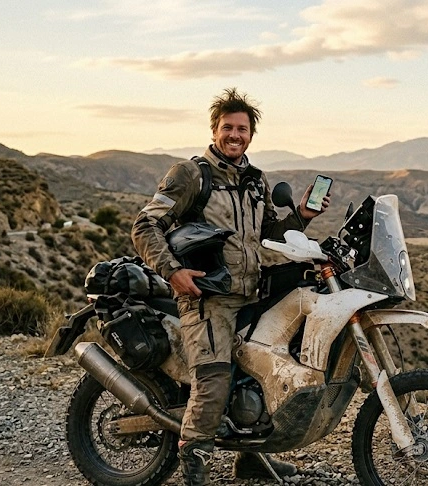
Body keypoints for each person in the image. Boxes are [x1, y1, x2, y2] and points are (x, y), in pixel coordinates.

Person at [132, 88, 330, 485]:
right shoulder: (191, 175)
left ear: (251, 135)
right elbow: (145, 224)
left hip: (251, 291)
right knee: (215, 378)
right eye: (228, 127)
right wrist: (173, 272)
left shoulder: (256, 182)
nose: (235, 135)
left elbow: (270, 234)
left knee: (267, 372)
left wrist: (303, 216)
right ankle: (192, 458)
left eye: (242, 128)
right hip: (208, 298)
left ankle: (251, 458)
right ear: (215, 129)